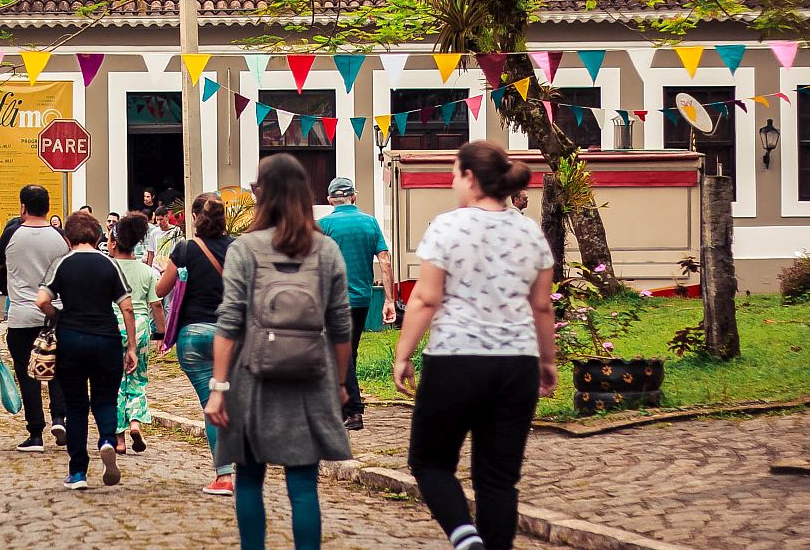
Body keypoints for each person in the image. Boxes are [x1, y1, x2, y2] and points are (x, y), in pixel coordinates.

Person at [393, 141, 556, 550]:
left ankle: (465, 538)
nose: (452, 181)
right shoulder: (529, 231)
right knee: (498, 479)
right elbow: (541, 306)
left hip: (456, 361)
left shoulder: (447, 227)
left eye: (453, 173)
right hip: (516, 363)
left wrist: (403, 354)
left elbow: (426, 298)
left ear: (470, 177)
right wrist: (547, 360)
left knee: (430, 462)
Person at [205, 154, 353, 550]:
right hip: (311, 378)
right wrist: (340, 383)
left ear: (262, 195)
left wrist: (218, 387)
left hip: (252, 381)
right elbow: (341, 326)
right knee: (303, 485)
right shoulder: (326, 250)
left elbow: (229, 322)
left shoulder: (245, 248)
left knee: (250, 480)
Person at [36, 211, 138, 491]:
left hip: (71, 340)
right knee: (105, 400)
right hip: (106, 339)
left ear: (68, 238)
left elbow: (41, 300)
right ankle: (107, 440)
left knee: (76, 406)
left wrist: (57, 314)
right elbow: (127, 306)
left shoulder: (62, 264)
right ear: (97, 236)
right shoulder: (110, 265)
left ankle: (78, 471)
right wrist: (131, 346)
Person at [156, 192, 237, 495]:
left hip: (193, 337)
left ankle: (224, 475)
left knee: (211, 405)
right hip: (229, 335)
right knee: (226, 401)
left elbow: (160, 288)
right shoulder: (236, 248)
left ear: (193, 217)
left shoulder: (185, 249)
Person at [0, 185, 70, 452]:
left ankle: (35, 433)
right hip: (55, 313)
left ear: (23, 206)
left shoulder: (12, 233)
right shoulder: (60, 236)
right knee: (57, 368)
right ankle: (60, 417)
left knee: (28, 375)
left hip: (22, 313)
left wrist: (7, 288)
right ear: (48, 207)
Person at [318, 176, 396, 432]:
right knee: (348, 352)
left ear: (330, 200)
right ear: (354, 196)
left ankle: (353, 411)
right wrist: (389, 300)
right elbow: (384, 261)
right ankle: (340, 409)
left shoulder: (323, 225)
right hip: (362, 299)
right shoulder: (370, 222)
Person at [108, 212, 165, 454]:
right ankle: (135, 422)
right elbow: (157, 306)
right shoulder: (147, 271)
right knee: (138, 378)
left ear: (115, 242)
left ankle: (119, 439)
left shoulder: (108, 268)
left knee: (114, 383)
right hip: (140, 327)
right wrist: (161, 334)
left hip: (112, 326)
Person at [145, 206, 182, 270]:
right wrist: (149, 270)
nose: (159, 222)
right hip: (156, 268)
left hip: (170, 267)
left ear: (167, 217)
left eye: (161, 219)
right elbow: (151, 254)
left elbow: (179, 252)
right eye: (157, 220)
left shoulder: (176, 231)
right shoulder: (154, 233)